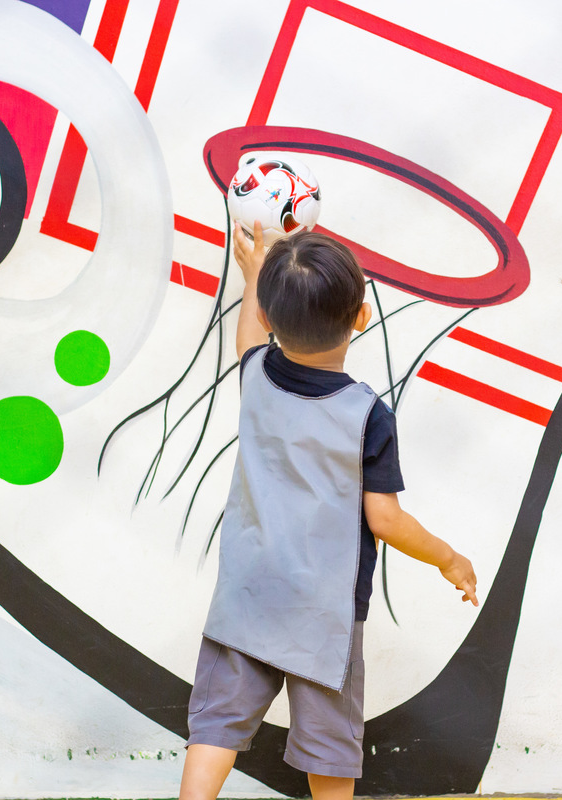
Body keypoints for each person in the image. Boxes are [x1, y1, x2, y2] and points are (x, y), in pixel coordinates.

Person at [179, 222, 479, 800]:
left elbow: (248, 338)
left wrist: (252, 275)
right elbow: (385, 520)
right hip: (324, 613)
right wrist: (447, 557)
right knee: (329, 748)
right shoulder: (368, 416)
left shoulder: (255, 376)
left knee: (215, 726)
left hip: (246, 595)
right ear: (361, 317)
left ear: (267, 315)